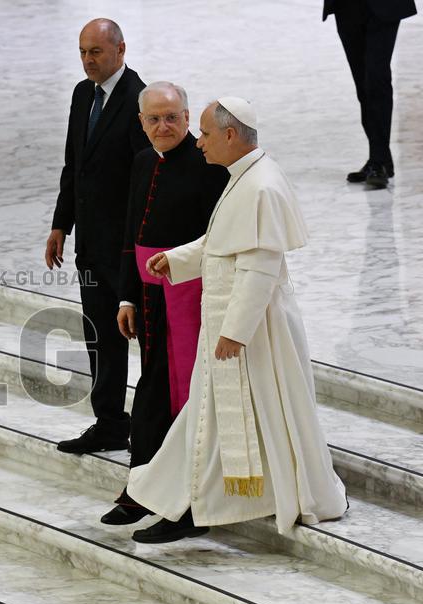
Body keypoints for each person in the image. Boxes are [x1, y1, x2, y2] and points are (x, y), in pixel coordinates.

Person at [127, 97, 348, 544]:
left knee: (227, 418)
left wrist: (234, 333)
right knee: (215, 419)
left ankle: (193, 507)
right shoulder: (243, 176)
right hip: (235, 325)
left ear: (230, 135)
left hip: (252, 332)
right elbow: (222, 241)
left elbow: (260, 267)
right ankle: (192, 503)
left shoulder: (261, 186)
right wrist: (179, 260)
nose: (200, 143)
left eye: (205, 134)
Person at [101, 82, 229, 526]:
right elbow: (130, 235)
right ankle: (143, 487)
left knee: (179, 395)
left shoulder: (208, 164)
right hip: (149, 297)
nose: (163, 126)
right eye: (154, 118)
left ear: (189, 118)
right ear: (142, 122)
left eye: (172, 117)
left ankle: (186, 495)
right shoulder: (140, 163)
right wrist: (126, 296)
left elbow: (219, 238)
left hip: (190, 298)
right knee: (152, 393)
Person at [46, 18, 150, 455]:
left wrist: (136, 245)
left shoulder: (141, 101)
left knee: (146, 342)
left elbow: (144, 181)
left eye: (97, 52)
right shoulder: (81, 94)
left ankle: (156, 430)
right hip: (90, 245)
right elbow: (76, 165)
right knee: (100, 339)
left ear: (120, 50)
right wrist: (60, 224)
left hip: (127, 250)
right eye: (84, 52)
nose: (89, 60)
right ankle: (109, 422)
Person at [324, 0, 417, 188]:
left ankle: (378, 161)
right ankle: (380, 159)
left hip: (385, 5)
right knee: (363, 86)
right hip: (347, 7)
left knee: (376, 79)